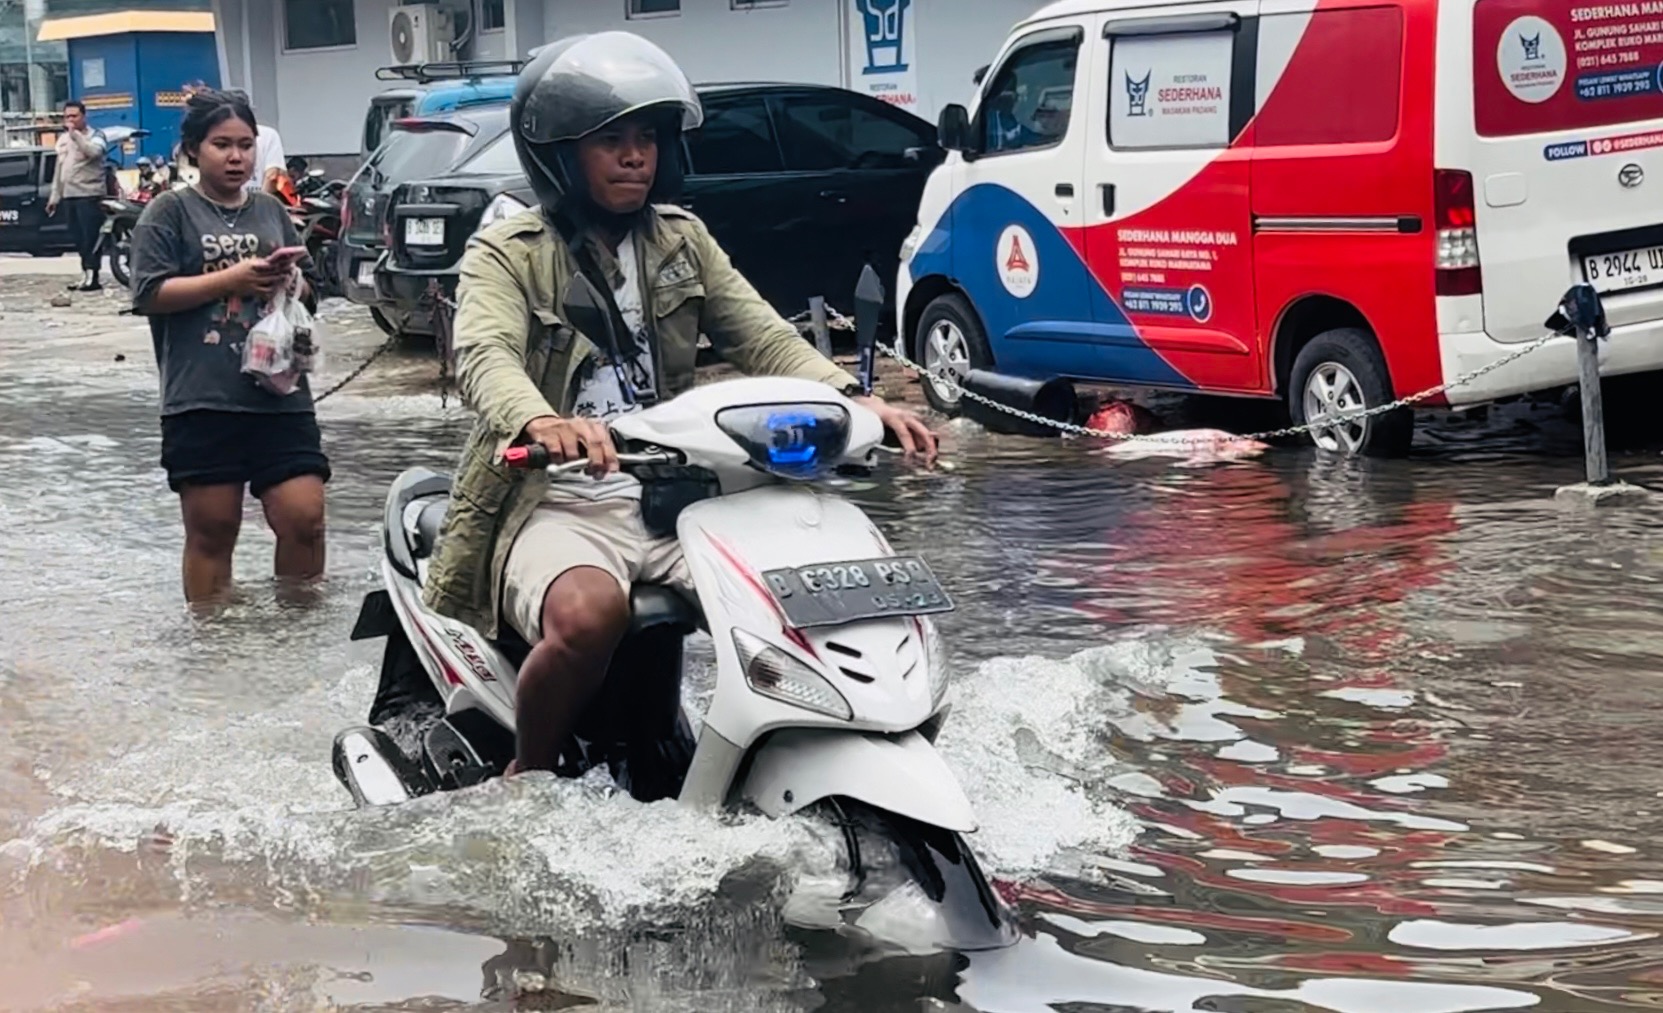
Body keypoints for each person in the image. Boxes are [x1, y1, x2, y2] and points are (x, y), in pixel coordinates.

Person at [421, 32, 938, 775]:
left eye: (646, 138)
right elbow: (484, 352)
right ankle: (526, 772)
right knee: (588, 615)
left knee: (805, 598)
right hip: (554, 493)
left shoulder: (683, 240)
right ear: (560, 153)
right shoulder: (509, 250)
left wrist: (855, 400)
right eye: (610, 141)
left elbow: (762, 335)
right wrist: (542, 420)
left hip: (674, 488)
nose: (635, 156)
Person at [128, 88, 329, 605]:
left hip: (279, 393)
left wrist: (289, 281)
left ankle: (296, 636)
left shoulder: (270, 210)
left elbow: (310, 288)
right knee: (214, 532)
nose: (237, 156)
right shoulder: (168, 212)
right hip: (201, 398)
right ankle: (214, 653)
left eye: (246, 144)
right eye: (222, 145)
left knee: (305, 519)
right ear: (193, 149)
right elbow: (149, 294)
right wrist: (233, 280)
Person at [46, 99, 109, 292]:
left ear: (84, 116)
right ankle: (85, 274)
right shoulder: (63, 140)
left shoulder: (96, 135)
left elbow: (93, 153)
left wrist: (76, 136)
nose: (70, 120)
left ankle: (93, 276)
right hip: (69, 195)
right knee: (78, 238)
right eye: (67, 116)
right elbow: (60, 169)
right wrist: (54, 197)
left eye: (74, 116)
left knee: (91, 237)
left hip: (89, 194)